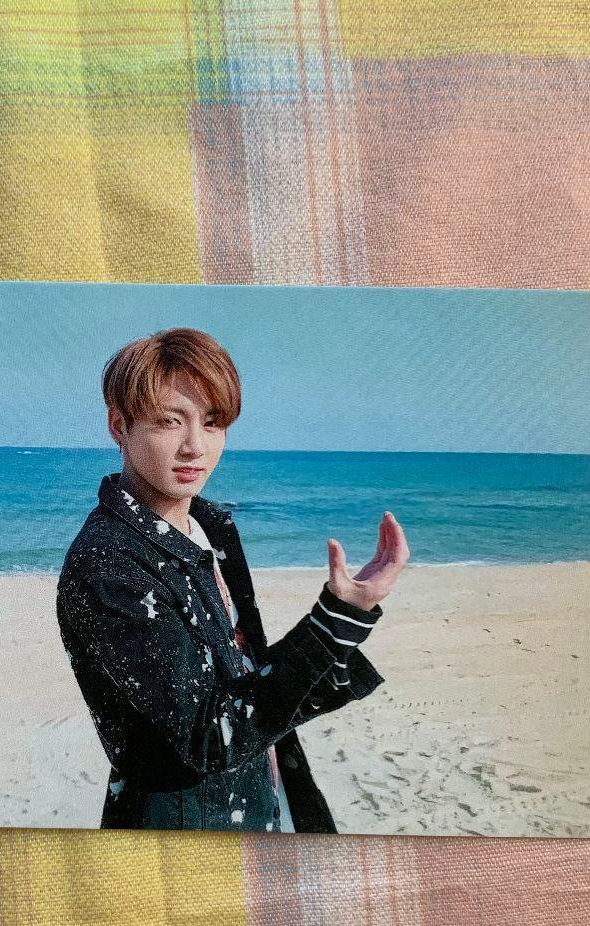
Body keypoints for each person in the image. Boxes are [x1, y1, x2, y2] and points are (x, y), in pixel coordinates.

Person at [56, 327, 410, 832]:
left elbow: (251, 685)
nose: (194, 447)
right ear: (120, 426)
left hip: (267, 796)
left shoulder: (211, 526)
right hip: (186, 830)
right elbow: (207, 736)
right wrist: (332, 622)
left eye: (212, 422)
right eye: (169, 421)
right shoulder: (109, 564)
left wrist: (348, 616)